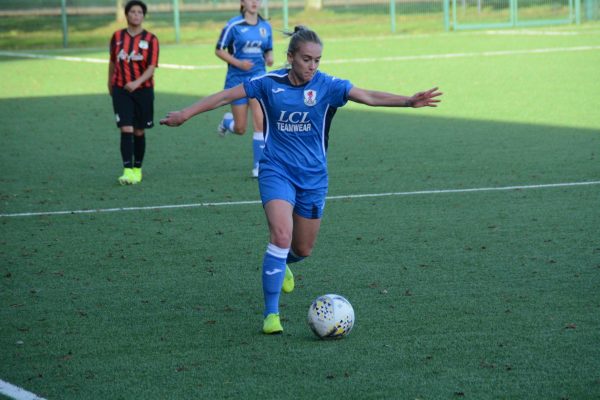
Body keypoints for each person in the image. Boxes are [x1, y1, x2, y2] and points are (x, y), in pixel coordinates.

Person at [160, 26, 442, 334]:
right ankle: (271, 315)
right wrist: (186, 113)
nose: (312, 66)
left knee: (302, 249)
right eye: (307, 59)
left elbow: (368, 96)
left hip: (313, 178)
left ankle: (282, 264)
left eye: (317, 60)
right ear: (291, 56)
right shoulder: (269, 83)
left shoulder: (327, 85)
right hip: (276, 170)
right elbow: (226, 96)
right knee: (281, 236)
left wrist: (408, 101)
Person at [215, 0, 274, 177]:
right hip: (237, 80)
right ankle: (228, 122)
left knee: (260, 123)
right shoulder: (233, 25)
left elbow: (268, 49)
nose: (254, 2)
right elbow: (219, 50)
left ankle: (258, 166)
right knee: (240, 128)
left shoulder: (266, 26)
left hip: (258, 78)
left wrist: (269, 58)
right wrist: (239, 63)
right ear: (242, 2)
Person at [108, 0, 159, 185]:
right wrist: (110, 83)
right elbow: (112, 62)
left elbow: (151, 67)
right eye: (133, 12)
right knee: (126, 128)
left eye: (139, 12)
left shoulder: (151, 39)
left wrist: (136, 83)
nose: (136, 15)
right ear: (126, 14)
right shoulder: (117, 36)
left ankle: (137, 169)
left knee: (139, 130)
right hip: (121, 90)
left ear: (143, 16)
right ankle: (127, 170)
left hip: (143, 91)